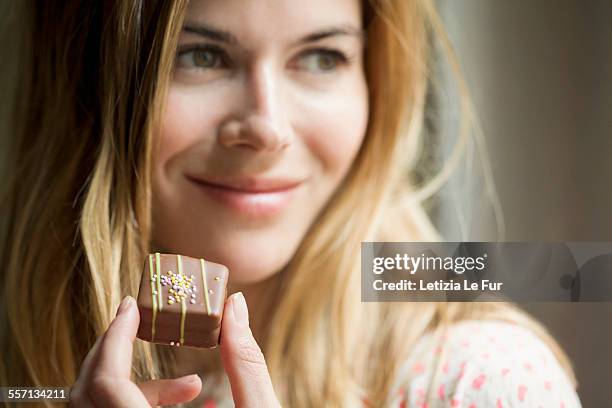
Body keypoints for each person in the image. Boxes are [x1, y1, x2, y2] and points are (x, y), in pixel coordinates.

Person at [0, 0, 582, 407]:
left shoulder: (483, 382)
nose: (267, 128)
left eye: (322, 57)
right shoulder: (23, 374)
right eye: (200, 55)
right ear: (82, 85)